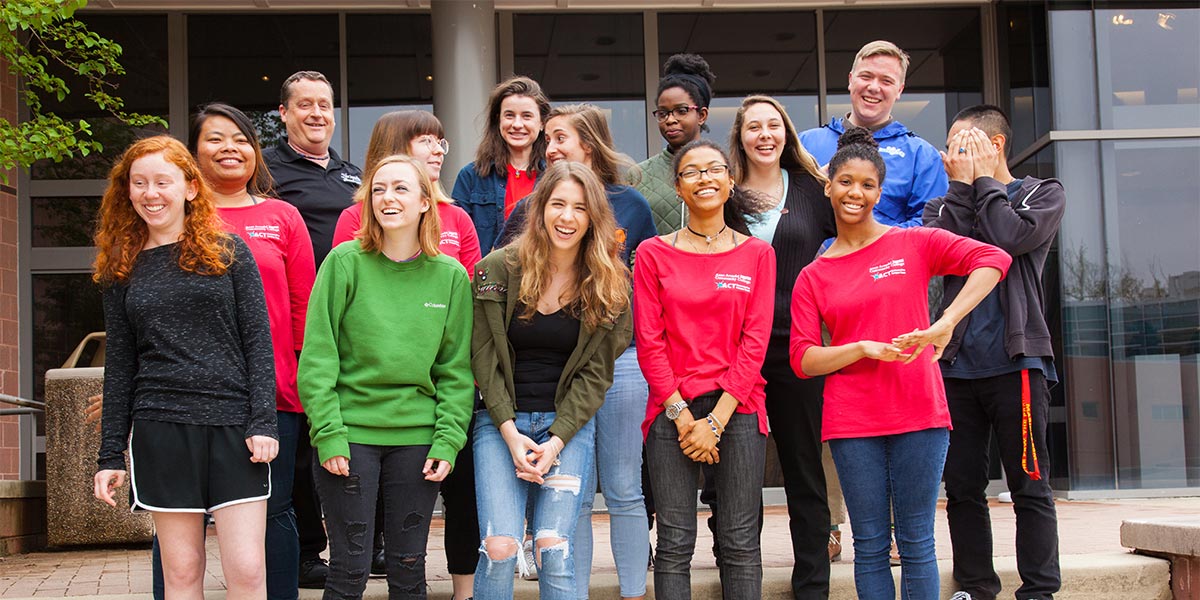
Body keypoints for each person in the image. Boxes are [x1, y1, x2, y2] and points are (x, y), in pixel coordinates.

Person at [788, 127, 1011, 600]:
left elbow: (993, 259)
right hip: (852, 421)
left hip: (918, 411)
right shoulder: (814, 275)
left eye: (867, 185)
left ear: (879, 191)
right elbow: (804, 359)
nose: (856, 193)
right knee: (869, 546)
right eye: (846, 181)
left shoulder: (913, 244)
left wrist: (946, 321)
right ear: (828, 185)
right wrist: (861, 348)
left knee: (915, 542)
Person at [93, 135, 278, 600]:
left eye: (162, 181)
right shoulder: (123, 268)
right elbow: (120, 365)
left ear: (190, 188)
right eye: (139, 183)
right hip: (161, 427)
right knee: (180, 572)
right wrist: (110, 454)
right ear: (127, 191)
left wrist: (263, 422)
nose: (150, 193)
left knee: (248, 570)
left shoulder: (230, 252)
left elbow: (258, 343)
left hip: (233, 426)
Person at [495, 103, 656, 599]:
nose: (551, 147)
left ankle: (633, 592)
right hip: (562, 373)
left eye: (559, 137)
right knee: (576, 494)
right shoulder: (535, 205)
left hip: (622, 364)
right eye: (548, 141)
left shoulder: (632, 203)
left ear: (589, 141)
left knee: (626, 488)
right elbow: (504, 270)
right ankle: (572, 590)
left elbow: (644, 290)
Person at [298, 154, 474, 600]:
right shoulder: (344, 263)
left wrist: (447, 440)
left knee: (410, 571)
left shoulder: (450, 276)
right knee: (349, 569)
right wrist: (329, 433)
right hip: (350, 434)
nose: (387, 198)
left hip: (417, 439)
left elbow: (455, 371)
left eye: (400, 188)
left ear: (424, 203)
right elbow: (319, 358)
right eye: (378, 189)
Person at [471, 160, 633, 599]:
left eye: (580, 208)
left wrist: (557, 439)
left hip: (567, 427)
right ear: (539, 208)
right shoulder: (496, 270)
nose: (567, 217)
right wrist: (509, 431)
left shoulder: (610, 281)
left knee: (553, 546)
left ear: (593, 217)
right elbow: (483, 359)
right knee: (500, 546)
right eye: (558, 204)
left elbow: (597, 373)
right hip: (499, 423)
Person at [924, 105, 1065, 600]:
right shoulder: (940, 208)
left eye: (960, 143)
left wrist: (983, 180)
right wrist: (965, 187)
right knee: (962, 488)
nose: (950, 154)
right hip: (955, 368)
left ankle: (1039, 590)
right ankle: (977, 588)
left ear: (994, 144)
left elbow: (1008, 239)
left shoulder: (1040, 193)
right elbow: (949, 249)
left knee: (1029, 483)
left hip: (1017, 363)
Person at [635, 139, 776, 599]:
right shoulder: (653, 253)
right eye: (692, 172)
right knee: (674, 543)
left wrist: (716, 420)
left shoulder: (757, 254)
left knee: (739, 541)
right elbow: (649, 341)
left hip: (739, 408)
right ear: (678, 187)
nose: (705, 178)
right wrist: (683, 416)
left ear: (731, 182)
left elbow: (755, 342)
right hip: (671, 410)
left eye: (715, 169)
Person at [729, 94, 837, 599]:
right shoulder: (725, 193)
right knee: (735, 473)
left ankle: (812, 583)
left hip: (799, 347)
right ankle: (737, 574)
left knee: (803, 466)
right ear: (741, 136)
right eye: (754, 127)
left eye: (773, 125)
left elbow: (853, 246)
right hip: (734, 351)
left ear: (786, 132)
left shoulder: (815, 191)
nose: (764, 135)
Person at [263, 69, 363, 588]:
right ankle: (304, 550)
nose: (317, 114)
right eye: (305, 105)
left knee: (350, 438)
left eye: (324, 104)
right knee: (301, 447)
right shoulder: (269, 173)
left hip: (353, 321)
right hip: (299, 324)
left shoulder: (352, 175)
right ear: (284, 113)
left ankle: (367, 546)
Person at [798, 40, 948, 228]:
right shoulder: (805, 144)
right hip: (815, 258)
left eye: (886, 81)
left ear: (899, 90)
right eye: (866, 76)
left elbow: (931, 225)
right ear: (850, 80)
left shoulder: (921, 156)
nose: (874, 87)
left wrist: (872, 244)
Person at [451, 76, 551, 253]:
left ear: (542, 122)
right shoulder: (471, 176)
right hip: (489, 277)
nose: (517, 124)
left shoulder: (555, 175)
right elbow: (456, 240)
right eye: (509, 115)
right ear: (498, 120)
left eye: (527, 116)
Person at [636, 53, 716, 235]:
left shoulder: (725, 169)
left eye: (681, 111)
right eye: (663, 113)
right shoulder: (639, 175)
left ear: (702, 115)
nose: (670, 120)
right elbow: (629, 239)